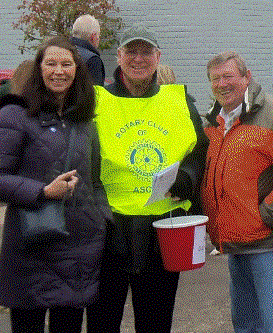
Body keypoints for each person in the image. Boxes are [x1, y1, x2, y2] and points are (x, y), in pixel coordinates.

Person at [87, 28, 207, 333]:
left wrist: (188, 177)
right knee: (102, 322)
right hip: (108, 229)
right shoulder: (96, 101)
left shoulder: (179, 102)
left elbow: (200, 151)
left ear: (158, 57)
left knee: (155, 322)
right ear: (119, 57)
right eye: (131, 51)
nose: (138, 59)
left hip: (162, 231)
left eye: (146, 52)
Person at [0, 39, 104, 333]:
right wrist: (43, 192)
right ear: (39, 69)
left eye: (66, 64)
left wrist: (101, 220)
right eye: (51, 64)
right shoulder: (16, 115)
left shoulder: (84, 121)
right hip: (32, 248)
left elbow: (96, 181)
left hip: (77, 250)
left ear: (77, 71)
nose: (59, 71)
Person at [202, 51, 273, 333]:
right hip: (235, 242)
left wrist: (265, 215)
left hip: (269, 242)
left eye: (228, 76)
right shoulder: (216, 122)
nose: (222, 84)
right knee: (245, 325)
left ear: (247, 77)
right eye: (215, 79)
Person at [70, 14, 106, 86]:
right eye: (98, 36)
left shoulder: (62, 52)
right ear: (93, 36)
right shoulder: (92, 60)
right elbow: (95, 91)